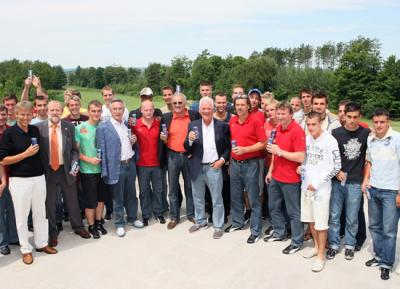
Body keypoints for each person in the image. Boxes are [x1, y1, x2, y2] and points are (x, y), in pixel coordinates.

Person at [0, 101, 57, 265]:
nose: (25, 117)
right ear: (16, 114)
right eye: (22, 114)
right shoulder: (9, 134)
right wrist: (24, 154)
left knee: (40, 213)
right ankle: (25, 249)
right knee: (21, 217)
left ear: (32, 114)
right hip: (19, 181)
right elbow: (3, 160)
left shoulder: (34, 129)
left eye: (28, 114)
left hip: (39, 178)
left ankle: (41, 243)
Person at [35, 101, 91, 246]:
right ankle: (52, 232)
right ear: (47, 111)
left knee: (72, 200)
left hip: (65, 170)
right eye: (52, 110)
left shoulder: (69, 127)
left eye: (57, 110)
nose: (55, 112)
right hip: (48, 171)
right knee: (50, 203)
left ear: (61, 111)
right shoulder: (38, 128)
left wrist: (74, 165)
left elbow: (74, 150)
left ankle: (78, 227)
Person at [326, 102, 370, 261]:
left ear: (360, 117)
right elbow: (328, 156)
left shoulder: (366, 133)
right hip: (338, 181)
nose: (351, 120)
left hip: (355, 182)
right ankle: (334, 245)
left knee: (352, 217)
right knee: (335, 215)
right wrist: (336, 171)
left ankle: (350, 245)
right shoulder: (335, 133)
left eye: (355, 117)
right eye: (349, 116)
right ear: (344, 116)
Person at [361, 108, 400, 280]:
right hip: (373, 189)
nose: (378, 125)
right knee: (375, 226)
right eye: (376, 122)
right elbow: (370, 161)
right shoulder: (371, 140)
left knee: (389, 230)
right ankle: (378, 256)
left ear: (388, 122)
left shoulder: (397, 139)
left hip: (391, 191)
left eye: (382, 122)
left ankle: (386, 263)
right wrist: (366, 180)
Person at [184, 97, 230, 239]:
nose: (206, 111)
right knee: (198, 197)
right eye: (203, 108)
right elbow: (186, 147)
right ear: (199, 110)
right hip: (197, 167)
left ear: (213, 109)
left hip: (214, 167)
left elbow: (228, 148)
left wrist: (222, 160)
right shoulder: (193, 125)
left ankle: (218, 226)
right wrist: (190, 140)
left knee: (217, 198)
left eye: (208, 108)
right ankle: (200, 221)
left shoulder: (221, 126)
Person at [300, 112, 341, 272]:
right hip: (306, 187)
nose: (310, 128)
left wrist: (317, 183)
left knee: (321, 224)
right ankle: (317, 247)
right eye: (308, 125)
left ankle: (321, 256)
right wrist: (302, 168)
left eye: (313, 124)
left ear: (320, 123)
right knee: (311, 220)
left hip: (322, 190)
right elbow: (307, 160)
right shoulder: (307, 138)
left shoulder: (330, 140)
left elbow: (336, 166)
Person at [96, 99, 144, 237]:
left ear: (124, 110)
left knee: (131, 194)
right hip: (116, 166)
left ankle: (132, 218)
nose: (118, 111)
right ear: (110, 111)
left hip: (130, 164)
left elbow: (127, 144)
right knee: (118, 197)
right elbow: (101, 150)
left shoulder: (126, 125)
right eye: (115, 109)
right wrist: (105, 171)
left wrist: (133, 142)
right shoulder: (103, 128)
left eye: (120, 109)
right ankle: (119, 223)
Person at [265, 101, 306, 255]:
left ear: (291, 114)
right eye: (279, 113)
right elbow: (275, 152)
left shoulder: (297, 130)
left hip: (291, 179)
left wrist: (280, 151)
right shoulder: (277, 128)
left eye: (283, 114)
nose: (280, 116)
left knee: (293, 212)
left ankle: (296, 242)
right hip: (276, 176)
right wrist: (270, 171)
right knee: (274, 207)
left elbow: (300, 156)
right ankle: (279, 233)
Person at [225, 94, 267, 244]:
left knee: (253, 198)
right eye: (237, 105)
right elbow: (232, 144)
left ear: (248, 106)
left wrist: (246, 150)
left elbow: (263, 143)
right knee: (235, 195)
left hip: (251, 163)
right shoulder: (232, 120)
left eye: (243, 105)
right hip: (235, 164)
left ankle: (255, 231)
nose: (240, 107)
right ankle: (237, 222)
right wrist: (230, 162)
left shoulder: (255, 121)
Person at [160, 92, 200, 229]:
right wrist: (163, 140)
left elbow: (199, 137)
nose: (177, 105)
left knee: (190, 187)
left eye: (180, 102)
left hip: (189, 156)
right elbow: (162, 139)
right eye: (175, 103)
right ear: (171, 104)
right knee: (172, 189)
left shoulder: (194, 115)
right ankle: (174, 216)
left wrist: (194, 152)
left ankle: (191, 214)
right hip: (172, 156)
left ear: (185, 103)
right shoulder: (166, 118)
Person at [75, 100, 108, 239]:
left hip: (103, 170)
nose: (96, 113)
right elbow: (74, 151)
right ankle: (91, 225)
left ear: (101, 112)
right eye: (93, 111)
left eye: (98, 111)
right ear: (88, 112)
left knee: (101, 199)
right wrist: (88, 159)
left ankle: (99, 222)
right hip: (88, 170)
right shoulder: (80, 128)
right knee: (90, 201)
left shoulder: (104, 127)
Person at [132, 100, 166, 226]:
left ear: (154, 110)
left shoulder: (158, 123)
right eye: (145, 110)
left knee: (158, 189)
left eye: (150, 110)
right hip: (142, 164)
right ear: (141, 110)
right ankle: (146, 214)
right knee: (144, 191)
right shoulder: (135, 124)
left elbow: (164, 140)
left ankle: (158, 212)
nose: (148, 112)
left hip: (156, 163)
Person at [0, 105, 18, 256]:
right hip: (1, 179)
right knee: (0, 212)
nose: (1, 117)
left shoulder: (10, 131)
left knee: (13, 209)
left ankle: (13, 237)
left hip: (13, 176)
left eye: (3, 114)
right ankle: (3, 242)